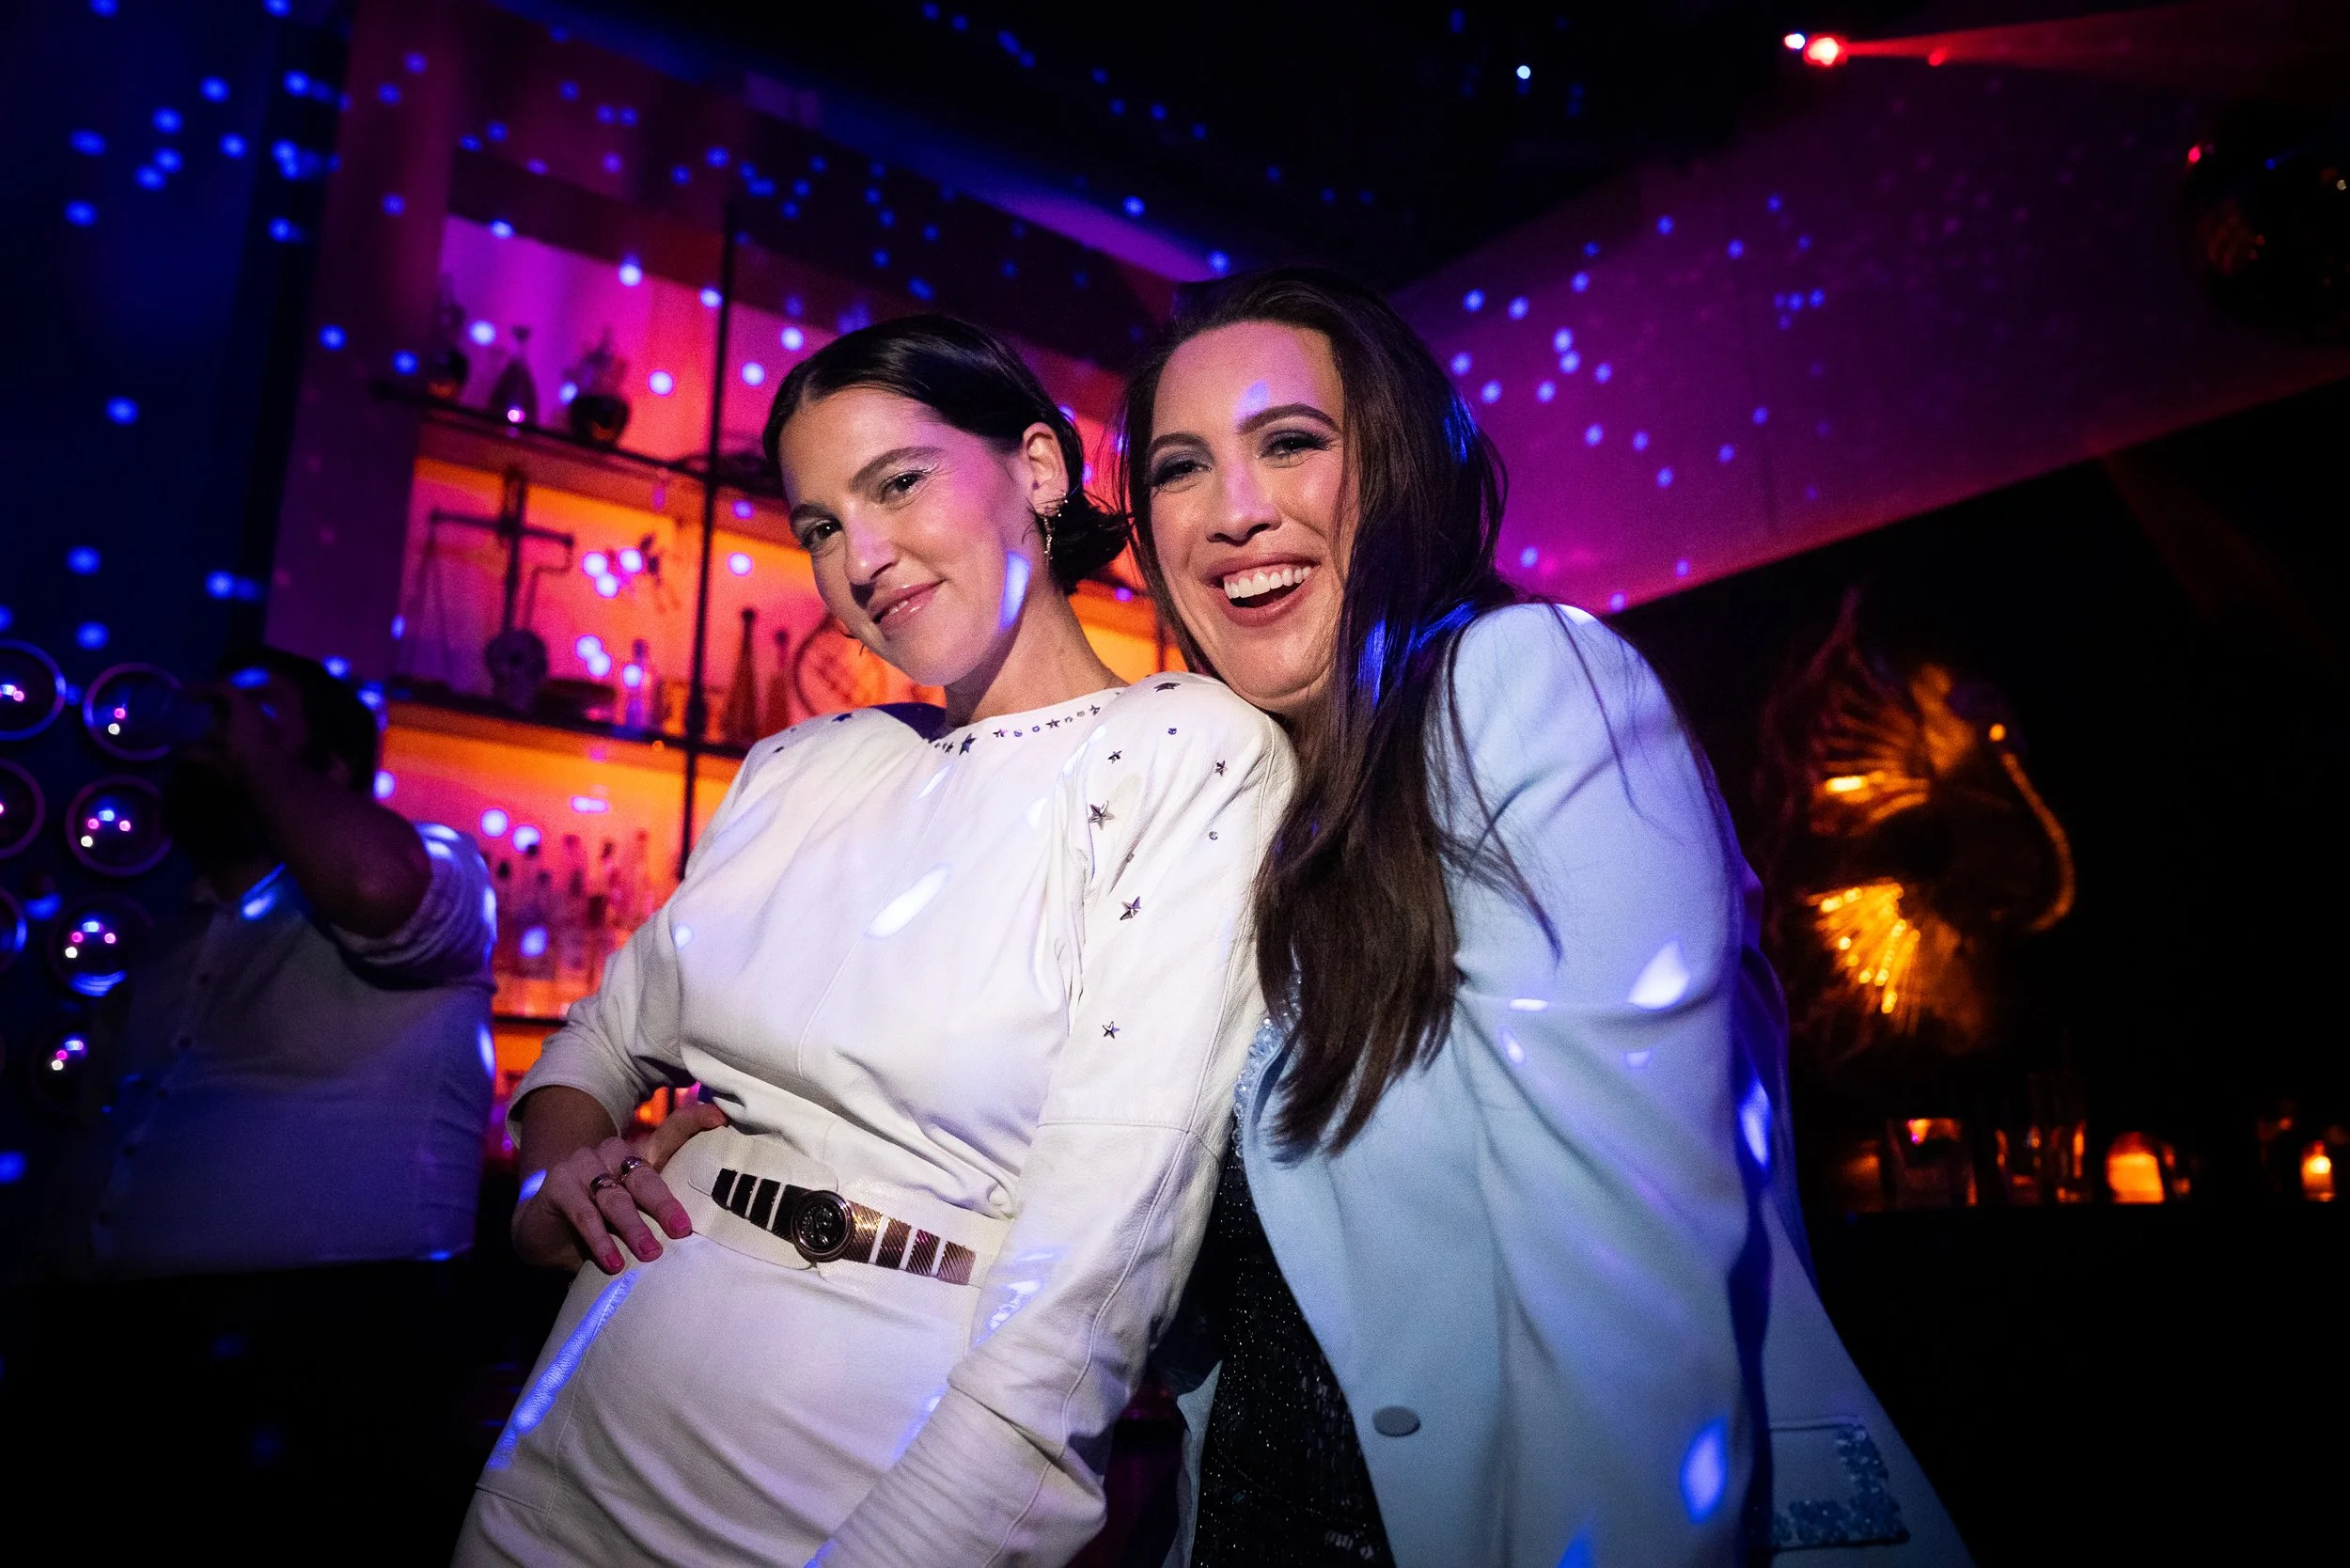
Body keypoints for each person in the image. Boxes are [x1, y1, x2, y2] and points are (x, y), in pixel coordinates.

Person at [1120, 268, 1969, 1565]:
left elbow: (1624, 1300)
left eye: (1289, 443)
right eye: (1180, 469)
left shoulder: (1520, 686)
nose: (1234, 512)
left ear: (1398, 470)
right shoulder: (1243, 814)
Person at [455, 317, 1288, 1566]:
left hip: (864, 1474)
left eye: (896, 484)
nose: (861, 560)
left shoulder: (1187, 752)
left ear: (1038, 470)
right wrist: (550, 1189)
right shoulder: (801, 766)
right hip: (580, 1423)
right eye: (820, 527)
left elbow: (1101, 1266)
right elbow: (600, 1041)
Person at [13, 648, 497, 1553]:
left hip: (324, 1358)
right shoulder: (163, 943)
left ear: (330, 769)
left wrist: (255, 754)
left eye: (255, 714)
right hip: (104, 1355)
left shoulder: (432, 860)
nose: (214, 734)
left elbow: (375, 886)